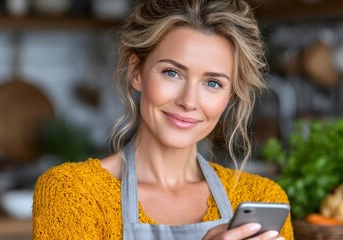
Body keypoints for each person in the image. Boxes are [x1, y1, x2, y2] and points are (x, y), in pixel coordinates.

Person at [33, 0, 294, 239]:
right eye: (172, 73)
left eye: (213, 83)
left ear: (230, 95)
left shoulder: (260, 196)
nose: (188, 101)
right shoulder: (73, 193)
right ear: (136, 72)